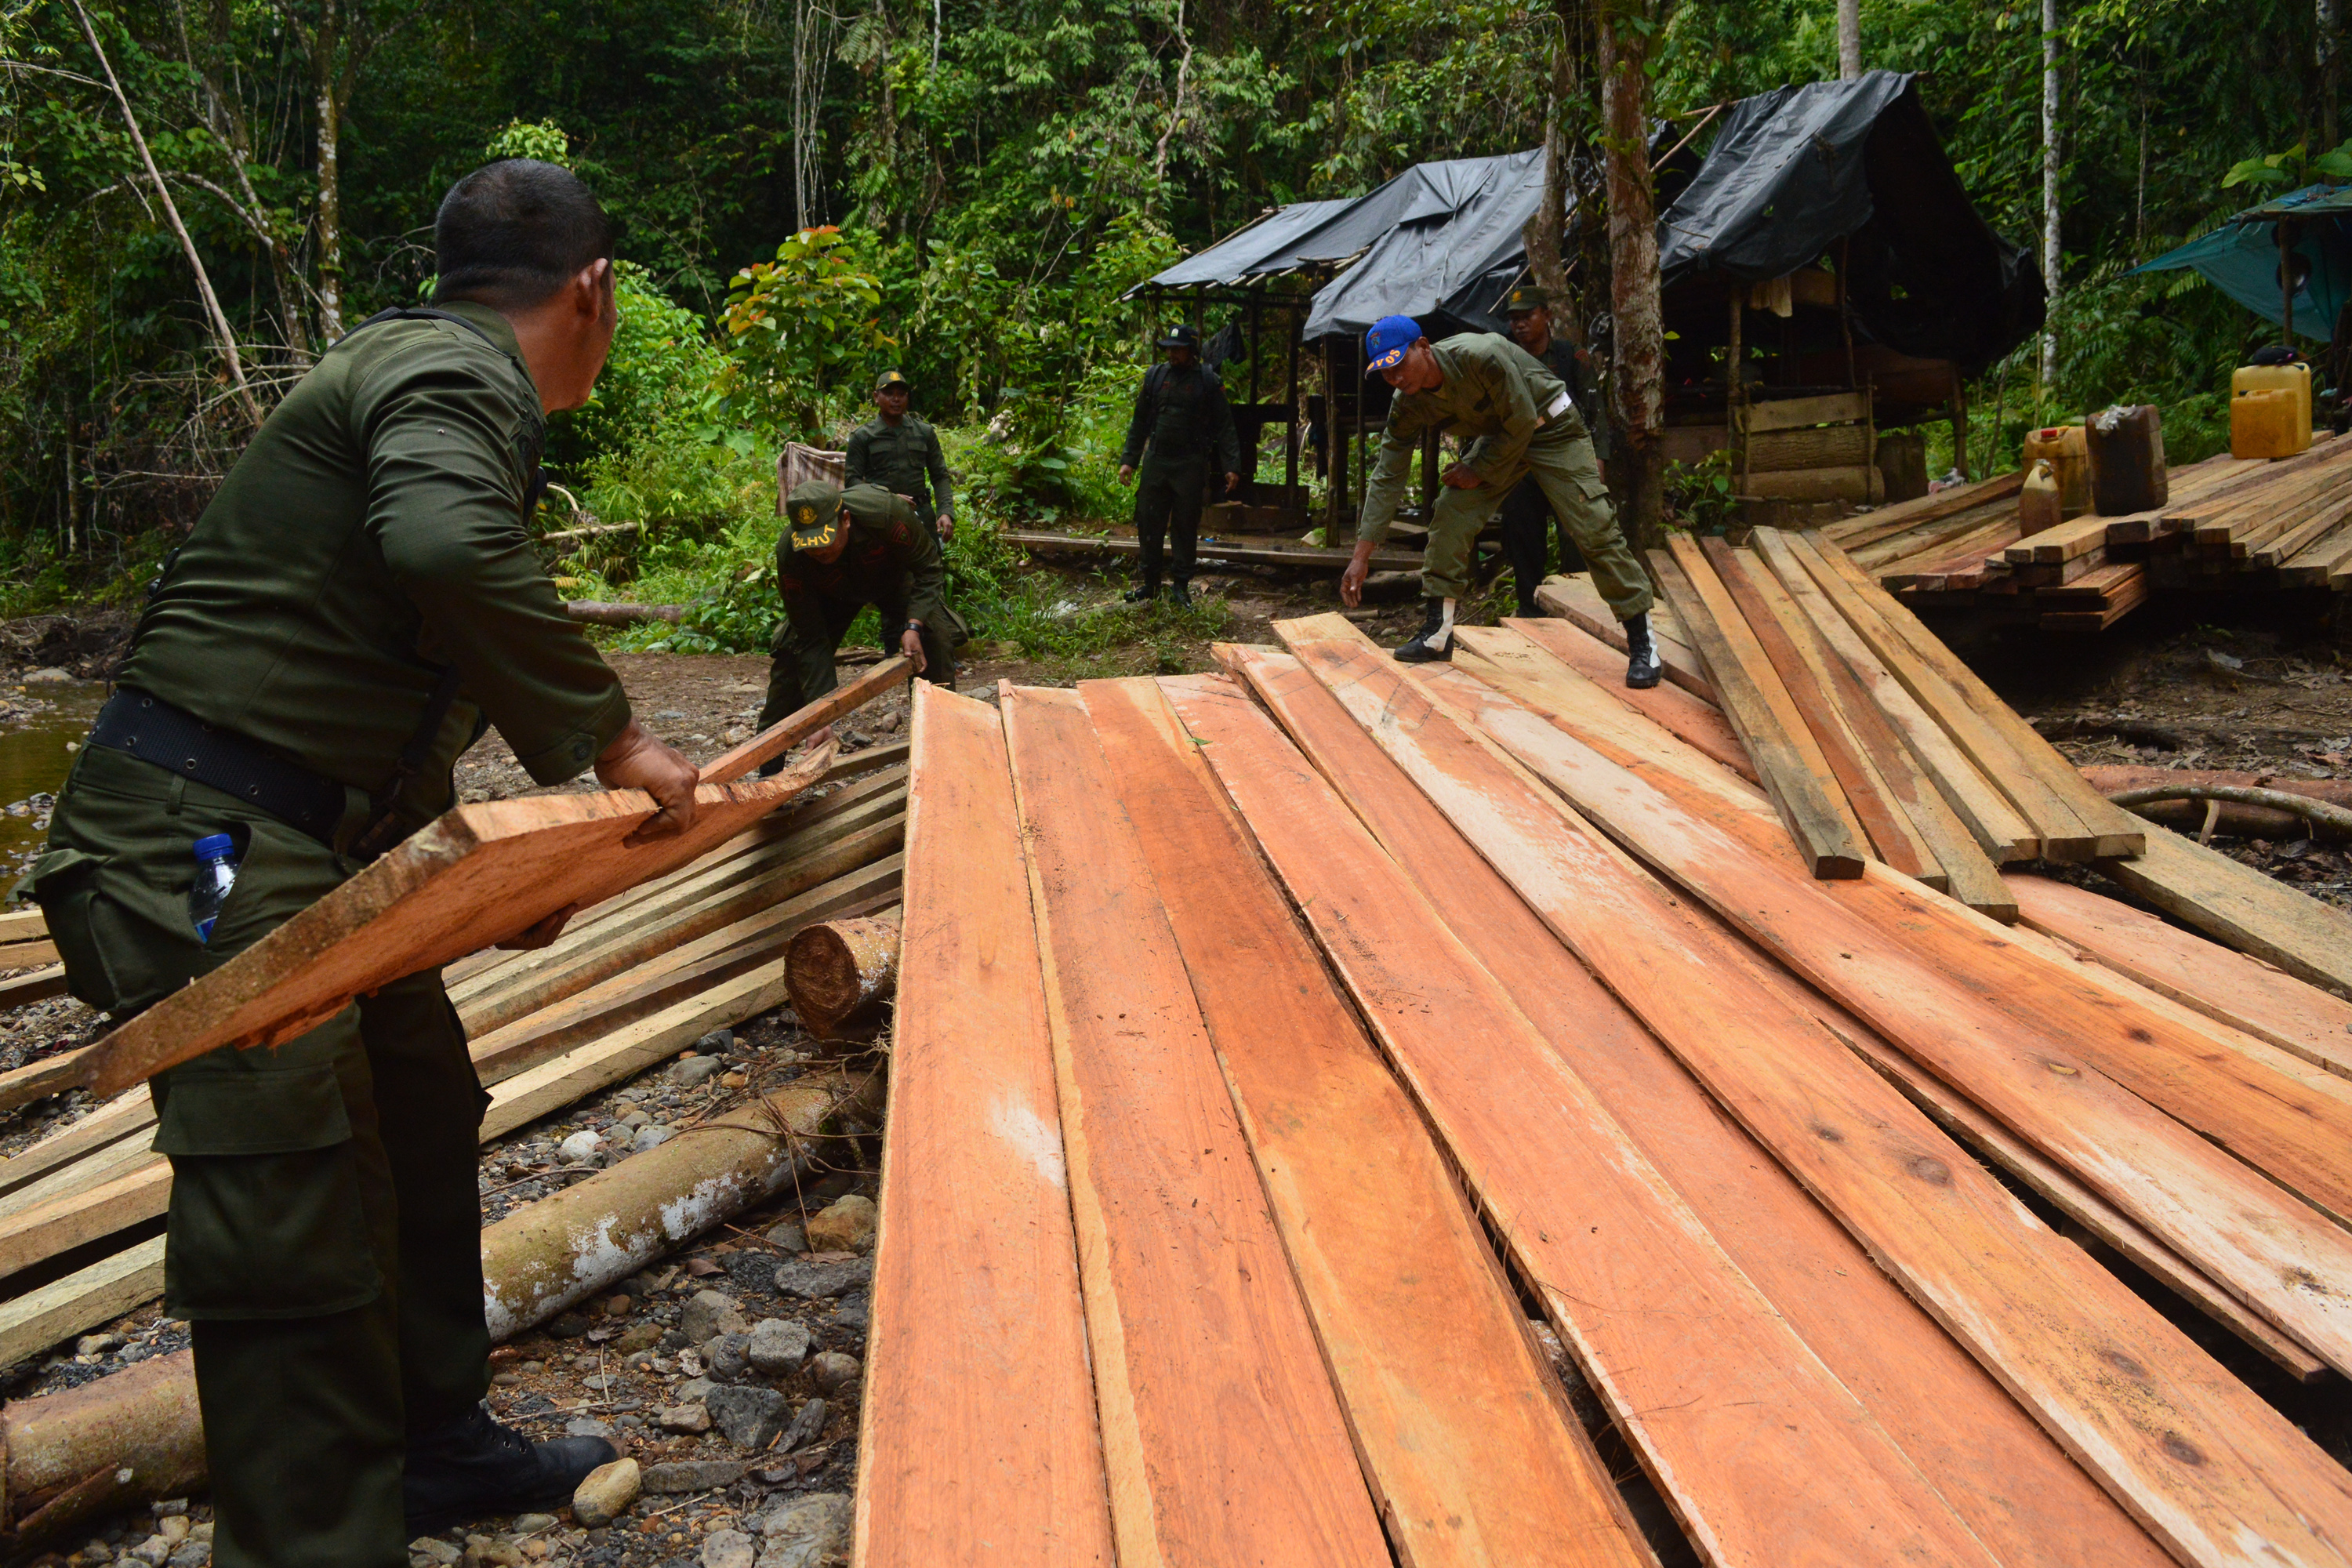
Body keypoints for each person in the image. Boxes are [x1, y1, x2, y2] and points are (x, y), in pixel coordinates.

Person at [21, 159, 702, 1567]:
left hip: (301, 837)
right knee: (291, 1169)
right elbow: (444, 547)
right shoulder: (453, 373)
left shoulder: (431, 374)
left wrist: (481, 883)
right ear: (594, 290)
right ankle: (313, 1540)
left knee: (417, 1097)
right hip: (199, 849)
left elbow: (360, 686)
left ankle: (427, 1446)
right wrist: (616, 738)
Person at [1340, 314, 1661, 685]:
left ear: (1423, 346)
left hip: (1551, 427)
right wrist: (1361, 556)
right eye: (1385, 372)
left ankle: (1642, 640)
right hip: (1501, 438)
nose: (1395, 377)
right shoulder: (1407, 403)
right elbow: (1388, 474)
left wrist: (1478, 470)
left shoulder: (1481, 355)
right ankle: (1437, 632)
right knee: (1452, 512)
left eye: (1399, 364)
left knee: (1592, 524)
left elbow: (1523, 419)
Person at [758, 479, 956, 760]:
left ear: (846, 520)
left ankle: (942, 746)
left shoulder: (885, 513)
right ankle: (766, 763)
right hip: (832, 594)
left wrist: (914, 625)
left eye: (825, 541)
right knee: (791, 658)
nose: (819, 552)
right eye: (810, 546)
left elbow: (928, 568)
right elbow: (810, 636)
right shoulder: (790, 554)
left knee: (933, 638)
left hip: (894, 580)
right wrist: (820, 714)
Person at [1499, 283, 1618, 617]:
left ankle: (1576, 607)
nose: (1520, 324)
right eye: (1514, 319)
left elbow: (1595, 410)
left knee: (1576, 535)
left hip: (1567, 461)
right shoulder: (1504, 358)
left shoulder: (1570, 357)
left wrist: (1598, 459)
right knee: (1522, 535)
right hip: (1523, 463)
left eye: (1528, 316)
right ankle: (1530, 611)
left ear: (1547, 315)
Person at [1116, 322, 1243, 607]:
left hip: (1189, 463)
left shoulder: (1207, 380)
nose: (1172, 354)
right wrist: (1128, 461)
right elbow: (1140, 421)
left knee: (1185, 525)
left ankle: (1181, 587)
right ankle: (1150, 584)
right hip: (1157, 460)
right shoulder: (1156, 376)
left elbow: (1225, 426)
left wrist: (1231, 465)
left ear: (1191, 351)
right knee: (1149, 520)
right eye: (1169, 349)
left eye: (1178, 350)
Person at [844, 369, 956, 541]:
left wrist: (945, 512)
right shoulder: (863, 436)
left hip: (920, 514)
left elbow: (940, 476)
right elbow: (852, 481)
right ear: (876, 397)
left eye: (901, 394)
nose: (896, 399)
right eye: (889, 393)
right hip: (879, 517)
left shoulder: (924, 432)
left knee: (930, 557)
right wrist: (887, 498)